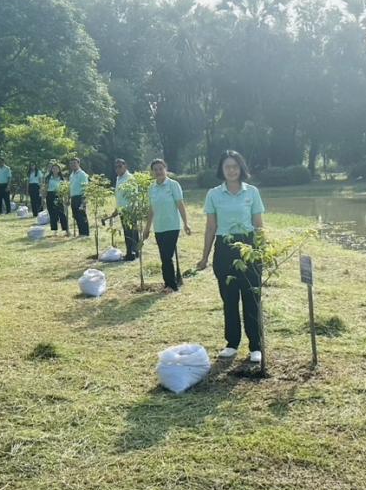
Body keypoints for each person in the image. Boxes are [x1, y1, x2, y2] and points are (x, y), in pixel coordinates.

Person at [196, 150, 266, 365]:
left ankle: (256, 346)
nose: (231, 170)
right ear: (222, 170)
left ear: (241, 168)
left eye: (235, 166)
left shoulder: (251, 192)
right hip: (224, 249)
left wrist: (262, 251)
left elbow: (259, 225)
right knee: (229, 299)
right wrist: (204, 257)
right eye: (227, 167)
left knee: (251, 299)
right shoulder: (214, 194)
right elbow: (210, 227)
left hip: (248, 248)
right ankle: (232, 343)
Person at [144, 159, 191, 292]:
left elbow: (180, 205)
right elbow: (151, 210)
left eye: (160, 169)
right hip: (159, 227)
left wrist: (186, 223)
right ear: (152, 172)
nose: (158, 172)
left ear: (165, 169)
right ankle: (169, 283)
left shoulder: (173, 185)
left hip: (172, 226)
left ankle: (171, 285)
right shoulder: (151, 188)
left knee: (166, 256)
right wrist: (147, 228)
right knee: (163, 256)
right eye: (155, 170)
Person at [107, 158, 139, 260]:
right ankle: (130, 252)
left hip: (130, 210)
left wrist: (134, 209)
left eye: (120, 166)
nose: (118, 169)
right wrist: (116, 210)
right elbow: (119, 196)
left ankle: (133, 253)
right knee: (127, 232)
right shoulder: (118, 179)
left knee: (132, 232)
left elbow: (134, 195)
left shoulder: (130, 178)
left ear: (125, 166)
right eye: (116, 167)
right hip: (122, 210)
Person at [44, 162, 70, 235]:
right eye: (53, 168)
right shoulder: (48, 178)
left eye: (56, 168)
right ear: (51, 169)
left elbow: (64, 189)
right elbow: (45, 189)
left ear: (59, 170)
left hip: (59, 195)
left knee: (61, 213)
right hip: (50, 195)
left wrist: (66, 199)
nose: (55, 170)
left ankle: (66, 229)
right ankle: (54, 230)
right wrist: (43, 198)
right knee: (52, 213)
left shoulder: (62, 178)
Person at [68, 157, 90, 237]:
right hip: (73, 197)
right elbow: (71, 187)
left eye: (74, 163)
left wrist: (83, 200)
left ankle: (85, 233)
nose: (73, 165)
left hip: (80, 197)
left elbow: (85, 188)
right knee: (76, 215)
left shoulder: (82, 174)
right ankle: (81, 232)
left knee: (82, 215)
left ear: (78, 163)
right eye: (71, 163)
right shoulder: (72, 175)